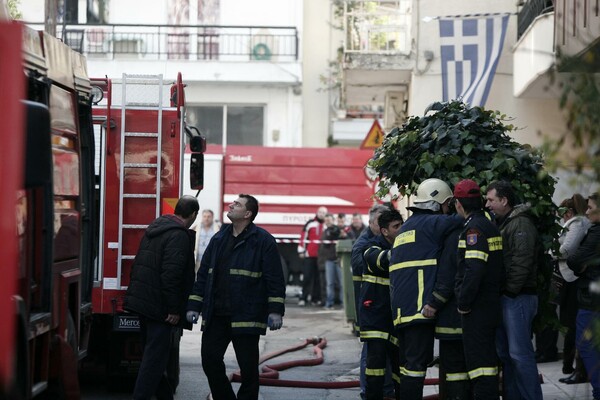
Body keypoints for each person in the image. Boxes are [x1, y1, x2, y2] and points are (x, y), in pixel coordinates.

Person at [186, 194, 285, 400]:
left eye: (237, 204)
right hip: (217, 314)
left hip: (246, 315)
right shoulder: (219, 238)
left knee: (248, 370)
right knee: (210, 360)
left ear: (247, 214)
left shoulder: (263, 241)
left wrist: (275, 310)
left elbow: (274, 278)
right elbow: (204, 274)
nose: (231, 205)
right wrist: (194, 304)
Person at [389, 178, 462, 400]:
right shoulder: (431, 224)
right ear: (437, 202)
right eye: (447, 203)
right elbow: (460, 220)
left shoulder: (407, 227)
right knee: (416, 366)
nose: (448, 208)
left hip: (403, 309)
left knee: (410, 365)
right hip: (420, 307)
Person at [124, 195, 199, 400]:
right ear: (193, 214)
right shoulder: (179, 235)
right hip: (160, 308)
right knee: (154, 360)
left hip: (144, 303)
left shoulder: (156, 228)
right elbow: (171, 275)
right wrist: (174, 310)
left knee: (153, 357)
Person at [485, 180, 542, 400]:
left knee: (520, 355)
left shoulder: (520, 224)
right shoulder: (506, 222)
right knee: (508, 355)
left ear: (504, 200)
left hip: (518, 297)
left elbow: (522, 260)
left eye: (491, 199)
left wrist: (509, 291)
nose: (487, 204)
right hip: (510, 297)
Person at [453, 179, 504, 400]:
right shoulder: (488, 224)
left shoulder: (473, 229)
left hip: (477, 307)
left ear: (458, 204)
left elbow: (474, 269)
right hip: (490, 303)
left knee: (480, 364)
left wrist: (464, 303)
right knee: (487, 362)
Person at [421, 186, 469, 400]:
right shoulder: (461, 229)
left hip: (452, 316)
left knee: (455, 368)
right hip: (461, 315)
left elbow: (447, 276)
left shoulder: (452, 234)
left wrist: (434, 303)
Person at [351, 203, 394, 399]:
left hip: (382, 305)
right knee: (370, 353)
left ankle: (384, 390)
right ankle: (366, 391)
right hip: (370, 304)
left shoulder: (384, 241)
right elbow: (363, 266)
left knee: (382, 353)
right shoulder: (364, 244)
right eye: (380, 220)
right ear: (371, 223)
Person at [360, 209, 404, 400]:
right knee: (375, 365)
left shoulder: (402, 244)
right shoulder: (371, 248)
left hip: (396, 316)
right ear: (384, 231)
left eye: (402, 225)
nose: (401, 230)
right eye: (396, 227)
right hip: (375, 316)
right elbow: (381, 260)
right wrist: (407, 250)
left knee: (398, 365)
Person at [567, 192, 600, 400]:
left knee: (586, 345)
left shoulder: (596, 233)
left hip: (592, 298)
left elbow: (573, 259)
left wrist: (581, 268)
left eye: (590, 208)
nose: (586, 212)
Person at [556, 194, 590, 382]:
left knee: (570, 323)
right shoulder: (575, 224)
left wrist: (552, 250)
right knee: (569, 322)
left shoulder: (576, 224)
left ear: (568, 212)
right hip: (570, 277)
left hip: (572, 277)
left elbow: (566, 249)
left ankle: (573, 367)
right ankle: (571, 367)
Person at [298, 206, 327, 306]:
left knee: (318, 279)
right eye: (320, 212)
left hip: (321, 257)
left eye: (323, 213)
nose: (321, 214)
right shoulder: (310, 224)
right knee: (307, 277)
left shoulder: (327, 225)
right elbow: (303, 237)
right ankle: (303, 298)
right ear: (317, 212)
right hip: (309, 255)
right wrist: (301, 251)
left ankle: (315, 299)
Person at [319, 213, 343, 309]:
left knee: (342, 283)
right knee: (329, 283)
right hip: (328, 260)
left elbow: (337, 236)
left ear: (333, 220)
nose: (328, 222)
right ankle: (329, 303)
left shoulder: (337, 229)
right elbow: (324, 244)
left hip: (339, 259)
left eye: (329, 220)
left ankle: (343, 303)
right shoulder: (325, 231)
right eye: (326, 220)